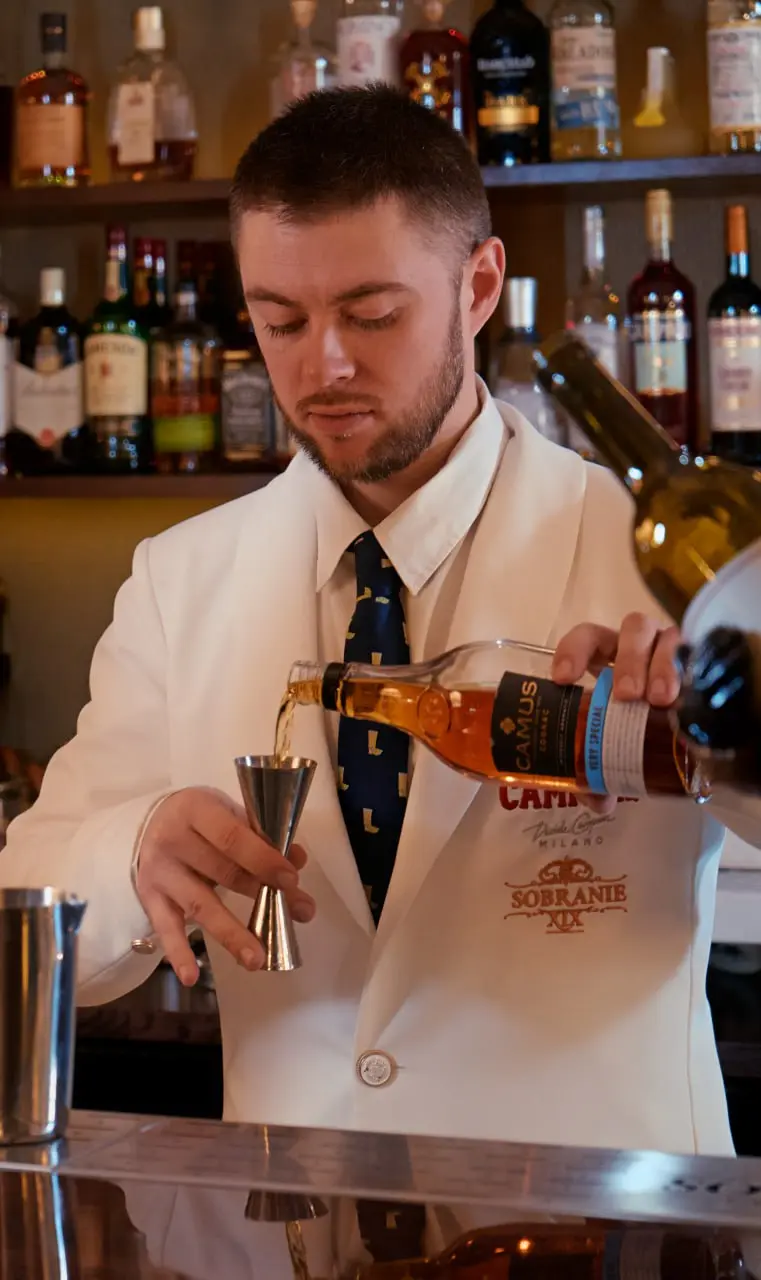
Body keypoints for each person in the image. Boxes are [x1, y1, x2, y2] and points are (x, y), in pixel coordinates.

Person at [0, 85, 758, 1204]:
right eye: (281, 321)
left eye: (370, 314)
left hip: (610, 1224)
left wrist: (731, 730)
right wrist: (134, 849)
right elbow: (30, 884)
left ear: (477, 288)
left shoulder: (651, 556)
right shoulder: (180, 578)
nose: (323, 369)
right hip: (294, 1225)